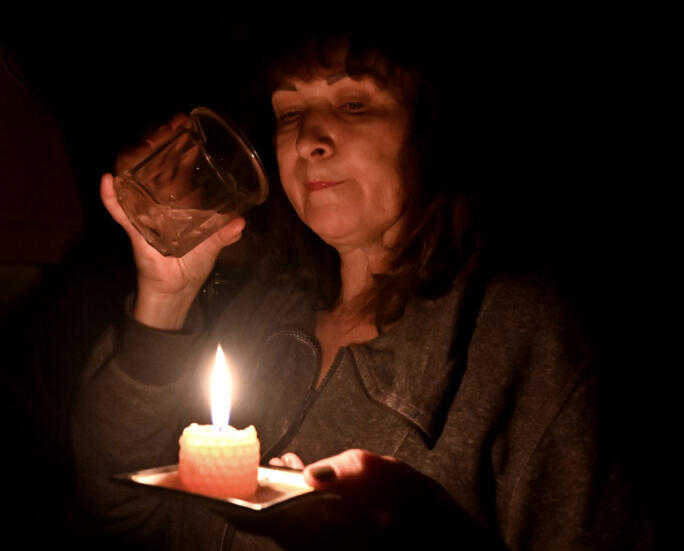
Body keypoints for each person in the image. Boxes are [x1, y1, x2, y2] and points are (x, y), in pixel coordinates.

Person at [73, 25, 652, 550]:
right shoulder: (264, 316)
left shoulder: (526, 340)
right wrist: (167, 296)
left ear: (432, 126)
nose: (307, 142)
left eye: (353, 103)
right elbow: (124, 511)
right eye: (289, 114)